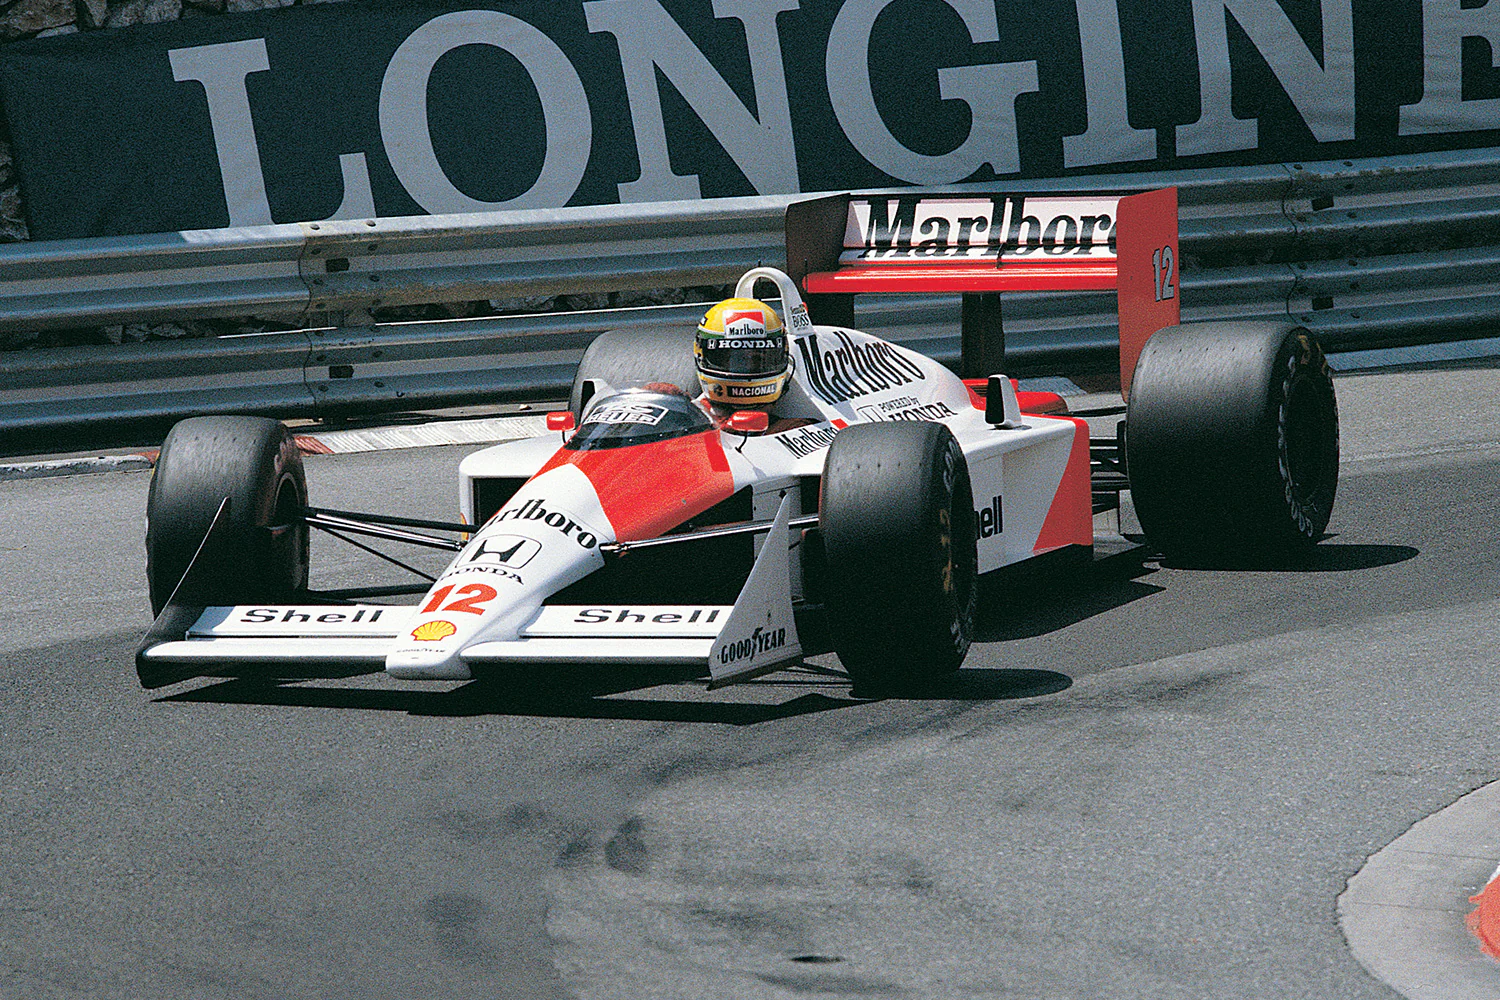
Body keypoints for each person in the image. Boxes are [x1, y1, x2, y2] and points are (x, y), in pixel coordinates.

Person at [692, 297, 800, 428]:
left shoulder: (795, 426)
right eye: (737, 359)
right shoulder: (690, 415)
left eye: (758, 359)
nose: (747, 367)